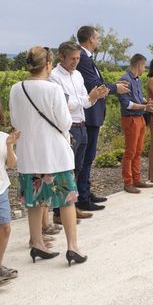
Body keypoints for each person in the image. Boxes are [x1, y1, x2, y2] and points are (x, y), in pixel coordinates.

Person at [9, 46, 87, 266]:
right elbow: (64, 122)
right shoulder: (52, 89)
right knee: (66, 201)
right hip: (55, 153)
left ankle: (37, 244)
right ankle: (73, 248)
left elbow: (15, 121)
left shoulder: (16, 88)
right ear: (48, 65)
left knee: (35, 202)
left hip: (29, 153)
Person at [49, 41, 109, 215]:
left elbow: (85, 102)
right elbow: (63, 105)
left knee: (77, 168)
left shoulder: (77, 76)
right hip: (68, 128)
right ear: (61, 57)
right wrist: (88, 99)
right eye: (72, 58)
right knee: (64, 170)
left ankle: (71, 207)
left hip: (81, 125)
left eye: (77, 58)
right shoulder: (55, 77)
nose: (75, 62)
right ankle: (59, 212)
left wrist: (95, 96)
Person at [75, 26, 130, 212]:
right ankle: (82, 196)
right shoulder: (82, 58)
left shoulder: (86, 58)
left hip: (92, 114)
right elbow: (94, 85)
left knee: (88, 157)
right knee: (85, 158)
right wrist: (115, 88)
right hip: (89, 114)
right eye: (97, 38)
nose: (99, 41)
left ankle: (85, 192)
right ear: (90, 39)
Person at [117, 54, 153, 194]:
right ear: (139, 65)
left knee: (138, 150)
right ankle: (128, 182)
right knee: (130, 151)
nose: (144, 69)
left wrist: (147, 103)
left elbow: (139, 98)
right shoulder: (124, 80)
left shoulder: (137, 80)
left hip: (139, 118)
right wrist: (144, 107)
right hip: (130, 119)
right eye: (144, 66)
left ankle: (137, 179)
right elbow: (126, 104)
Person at [0, 105, 19, 285]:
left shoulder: (4, 138)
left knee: (5, 228)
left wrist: (9, 145)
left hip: (1, 189)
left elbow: (11, 165)